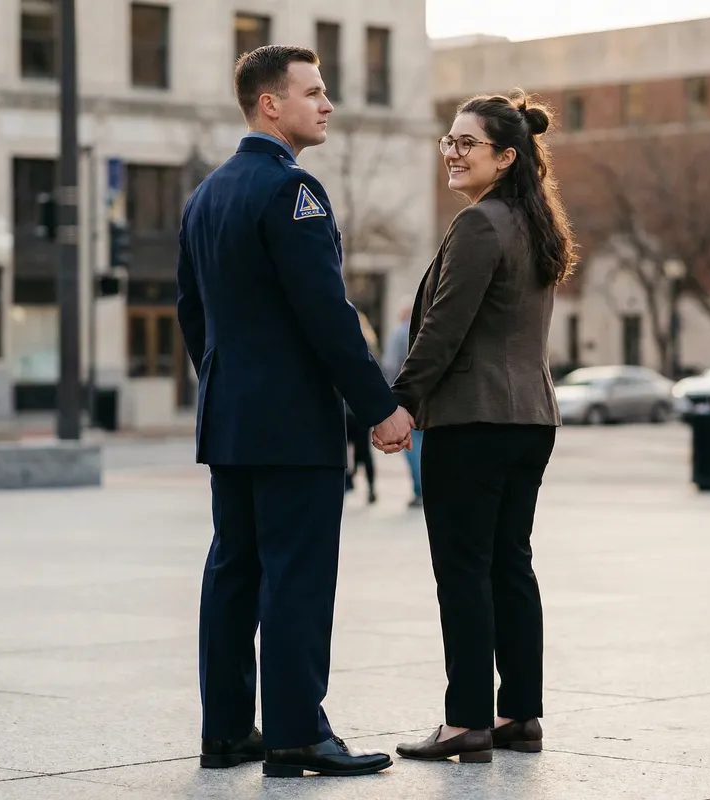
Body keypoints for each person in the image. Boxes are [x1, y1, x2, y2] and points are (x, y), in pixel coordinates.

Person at [177, 45, 412, 778]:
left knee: (233, 574)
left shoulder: (205, 195)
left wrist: (224, 387)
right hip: (291, 425)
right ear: (269, 104)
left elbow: (191, 311)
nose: (327, 103)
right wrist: (381, 406)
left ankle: (226, 734)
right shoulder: (291, 191)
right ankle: (296, 735)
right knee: (297, 578)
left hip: (232, 420)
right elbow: (328, 314)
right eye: (313, 92)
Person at [375, 91, 576, 763]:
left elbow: (442, 331)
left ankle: (466, 722)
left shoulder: (479, 226)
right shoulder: (535, 222)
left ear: (506, 156)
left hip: (473, 419)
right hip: (530, 421)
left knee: (463, 571)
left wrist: (399, 401)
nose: (452, 154)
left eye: (468, 144)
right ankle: (520, 713)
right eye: (448, 141)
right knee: (509, 566)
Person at [382, 298, 423, 508]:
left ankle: (420, 490)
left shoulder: (399, 333)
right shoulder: (425, 328)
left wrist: (390, 398)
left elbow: (389, 364)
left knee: (412, 446)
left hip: (405, 397)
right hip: (427, 396)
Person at [345, 311, 380, 504]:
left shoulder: (345, 343)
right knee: (365, 451)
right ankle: (371, 487)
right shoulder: (369, 345)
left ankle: (347, 482)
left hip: (345, 407)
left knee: (345, 447)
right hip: (361, 409)